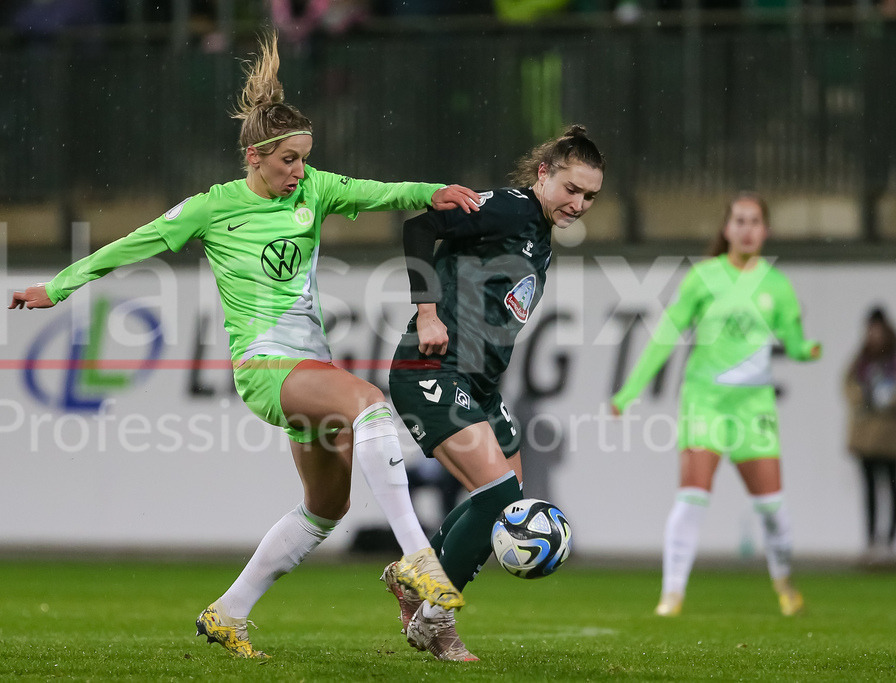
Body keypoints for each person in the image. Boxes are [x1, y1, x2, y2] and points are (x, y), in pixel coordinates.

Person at [8, 30, 481, 659]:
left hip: (308, 366)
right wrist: (58, 287)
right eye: (288, 160)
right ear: (254, 156)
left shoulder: (315, 190)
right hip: (265, 367)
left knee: (325, 508)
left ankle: (228, 613)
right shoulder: (212, 208)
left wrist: (430, 193)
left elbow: (378, 191)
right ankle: (418, 558)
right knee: (368, 402)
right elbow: (133, 244)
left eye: (305, 159)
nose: (300, 171)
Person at [383, 125, 605, 660]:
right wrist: (428, 312)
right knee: (501, 499)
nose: (579, 203)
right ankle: (435, 618)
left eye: (590, 196)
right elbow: (418, 228)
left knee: (510, 492)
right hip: (431, 367)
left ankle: (416, 578)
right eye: (572, 189)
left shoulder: (537, 234)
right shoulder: (507, 208)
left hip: (479, 383)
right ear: (544, 174)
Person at [611, 192, 821, 617]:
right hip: (704, 400)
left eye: (754, 221)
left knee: (771, 508)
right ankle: (671, 595)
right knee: (691, 498)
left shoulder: (777, 286)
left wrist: (806, 349)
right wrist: (629, 391)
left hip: (753, 405)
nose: (746, 229)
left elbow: (793, 340)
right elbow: (665, 336)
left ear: (765, 230)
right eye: (739, 221)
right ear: (726, 229)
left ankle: (783, 580)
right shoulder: (702, 278)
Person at [843, 306, 896, 566]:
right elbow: (847, 384)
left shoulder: (892, 358)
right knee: (870, 492)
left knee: (892, 490)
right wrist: (862, 397)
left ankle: (888, 542)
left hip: (890, 438)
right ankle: (872, 542)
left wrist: (889, 400)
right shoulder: (862, 359)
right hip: (865, 437)